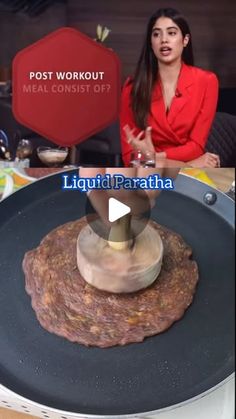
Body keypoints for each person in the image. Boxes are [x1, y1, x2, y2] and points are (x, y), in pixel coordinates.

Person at [120, 8, 220, 168]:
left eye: (172, 33)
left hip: (185, 177)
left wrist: (155, 158)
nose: (163, 40)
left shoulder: (207, 81)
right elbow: (129, 158)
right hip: (149, 176)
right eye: (156, 34)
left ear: (185, 40)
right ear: (151, 43)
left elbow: (196, 146)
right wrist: (190, 166)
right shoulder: (132, 88)